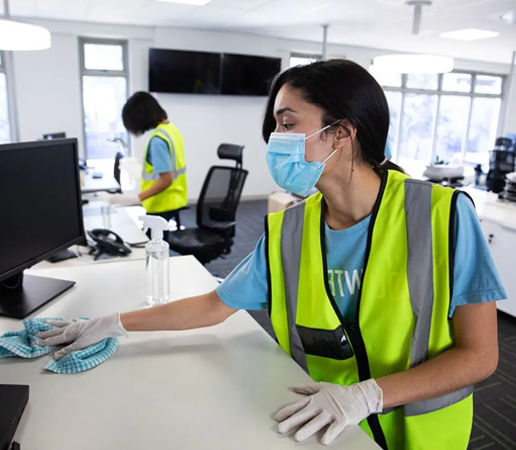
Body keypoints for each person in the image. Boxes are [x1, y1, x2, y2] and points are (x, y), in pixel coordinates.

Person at [35, 60, 504, 449]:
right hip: (322, 429)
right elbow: (212, 305)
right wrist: (110, 323)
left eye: (287, 123)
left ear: (341, 132)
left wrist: (367, 396)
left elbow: (480, 355)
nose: (274, 140)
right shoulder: (290, 229)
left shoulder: (441, 216)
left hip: (418, 434)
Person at [110, 92, 187, 227]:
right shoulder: (171, 129)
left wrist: (136, 198)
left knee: (152, 245)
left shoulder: (158, 140)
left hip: (161, 203)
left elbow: (166, 179)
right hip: (175, 197)